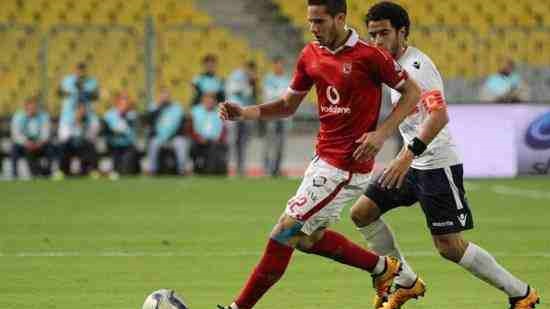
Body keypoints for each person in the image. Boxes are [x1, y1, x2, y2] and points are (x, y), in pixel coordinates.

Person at [216, 1, 422, 308]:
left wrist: (381, 133)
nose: (313, 28)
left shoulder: (370, 55)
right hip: (322, 161)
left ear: (340, 18)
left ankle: (238, 307)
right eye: (310, 22)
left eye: (320, 21)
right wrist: (244, 113)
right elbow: (287, 105)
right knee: (306, 239)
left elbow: (412, 93)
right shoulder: (310, 54)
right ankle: (384, 269)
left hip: (346, 166)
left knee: (285, 231)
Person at [349, 2, 540, 309]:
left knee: (450, 246)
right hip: (411, 164)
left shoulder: (417, 68)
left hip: (437, 165)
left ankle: (521, 293)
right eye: (372, 35)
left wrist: (404, 157)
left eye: (384, 33)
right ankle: (405, 281)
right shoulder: (389, 67)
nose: (377, 42)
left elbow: (438, 117)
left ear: (403, 32)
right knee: (362, 213)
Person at [226, 60, 259, 176]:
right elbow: (234, 91)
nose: (252, 74)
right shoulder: (237, 76)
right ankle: (230, 167)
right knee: (232, 141)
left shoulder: (252, 82)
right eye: (251, 71)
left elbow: (254, 98)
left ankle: (241, 168)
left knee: (244, 142)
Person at [147, 88, 189, 175]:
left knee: (181, 143)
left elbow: (176, 124)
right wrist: (158, 108)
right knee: (154, 143)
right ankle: (152, 170)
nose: (165, 98)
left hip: (174, 137)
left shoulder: (177, 108)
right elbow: (149, 121)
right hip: (159, 138)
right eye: (163, 96)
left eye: (167, 96)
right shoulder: (154, 107)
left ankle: (182, 170)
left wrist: (167, 137)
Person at [10, 96, 54, 179]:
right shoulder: (18, 116)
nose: (33, 109)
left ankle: (48, 172)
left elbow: (46, 132)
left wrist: (39, 142)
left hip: (39, 141)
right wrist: (26, 142)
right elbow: (16, 134)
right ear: (26, 107)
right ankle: (15, 174)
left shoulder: (44, 116)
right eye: (31, 107)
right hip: (24, 142)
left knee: (50, 148)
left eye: (35, 107)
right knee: (15, 148)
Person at [262, 56, 291, 177]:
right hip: (272, 114)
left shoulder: (287, 79)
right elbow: (268, 96)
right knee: (270, 143)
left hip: (284, 115)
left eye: (281, 64)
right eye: (277, 64)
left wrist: (279, 96)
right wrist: (281, 95)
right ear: (274, 65)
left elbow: (289, 97)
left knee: (281, 144)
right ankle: (268, 169)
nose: (279, 67)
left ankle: (277, 169)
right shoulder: (268, 79)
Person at [58, 103, 100, 177]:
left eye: (83, 111)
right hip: (71, 145)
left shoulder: (90, 120)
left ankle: (93, 170)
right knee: (64, 146)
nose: (81, 113)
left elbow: (93, 136)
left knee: (91, 146)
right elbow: (63, 137)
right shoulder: (67, 120)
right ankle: (62, 171)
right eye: (79, 111)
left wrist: (83, 126)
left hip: (84, 145)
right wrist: (75, 124)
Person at [190, 92, 228, 175]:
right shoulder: (195, 111)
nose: (209, 103)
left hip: (214, 140)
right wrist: (198, 137)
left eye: (211, 101)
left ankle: (209, 172)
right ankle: (195, 169)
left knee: (214, 147)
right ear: (202, 101)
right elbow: (190, 128)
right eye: (207, 101)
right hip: (198, 139)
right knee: (192, 146)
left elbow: (223, 130)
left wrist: (219, 139)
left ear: (215, 102)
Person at [103, 92, 140, 176]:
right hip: (113, 146)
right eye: (122, 103)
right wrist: (114, 131)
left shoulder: (132, 115)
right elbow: (106, 130)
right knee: (116, 168)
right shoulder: (109, 115)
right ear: (117, 103)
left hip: (127, 145)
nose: (124, 106)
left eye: (126, 103)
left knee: (126, 171)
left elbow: (131, 131)